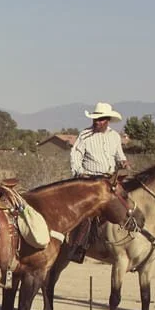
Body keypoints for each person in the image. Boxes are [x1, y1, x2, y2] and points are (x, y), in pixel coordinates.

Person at [66, 101, 130, 261]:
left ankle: (128, 241)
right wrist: (79, 172)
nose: (97, 122)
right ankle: (78, 247)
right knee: (87, 212)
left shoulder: (114, 136)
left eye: (100, 119)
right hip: (90, 180)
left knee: (126, 202)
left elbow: (119, 155)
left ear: (107, 120)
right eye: (95, 119)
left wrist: (124, 162)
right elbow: (76, 155)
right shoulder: (85, 135)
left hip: (110, 179)